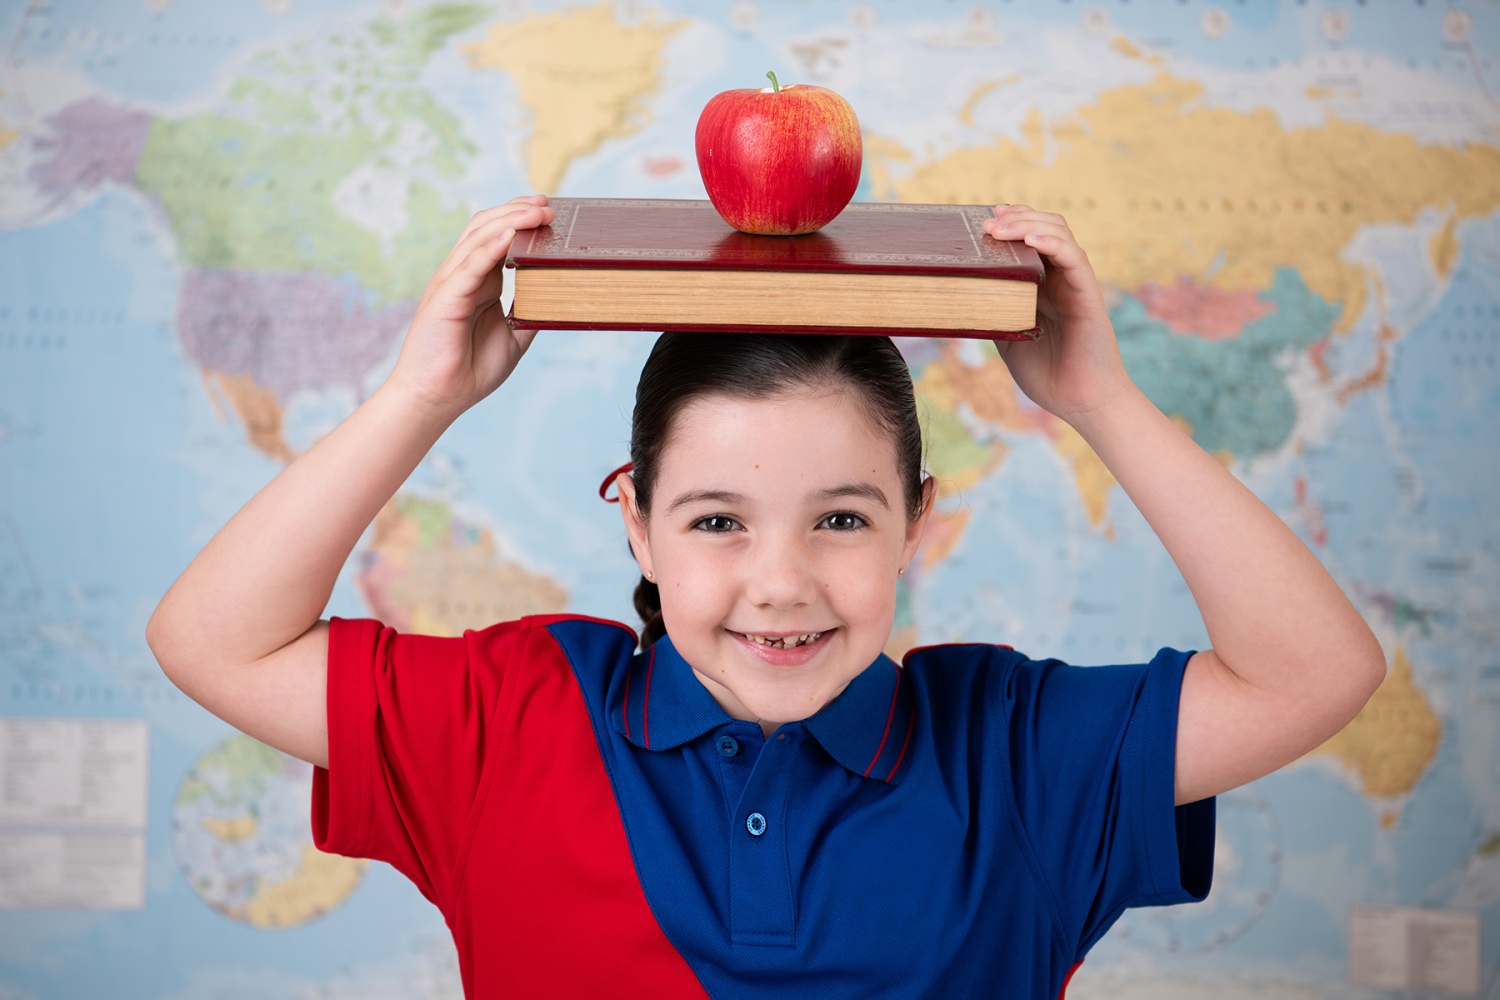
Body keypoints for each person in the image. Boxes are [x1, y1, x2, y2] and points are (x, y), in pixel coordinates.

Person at [146, 194, 1385, 999]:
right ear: (636, 522)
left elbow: (1318, 673)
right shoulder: (511, 717)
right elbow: (212, 640)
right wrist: (421, 395)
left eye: (841, 518)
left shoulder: (1017, 752)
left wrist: (1098, 400)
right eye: (716, 522)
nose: (780, 583)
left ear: (916, 523)